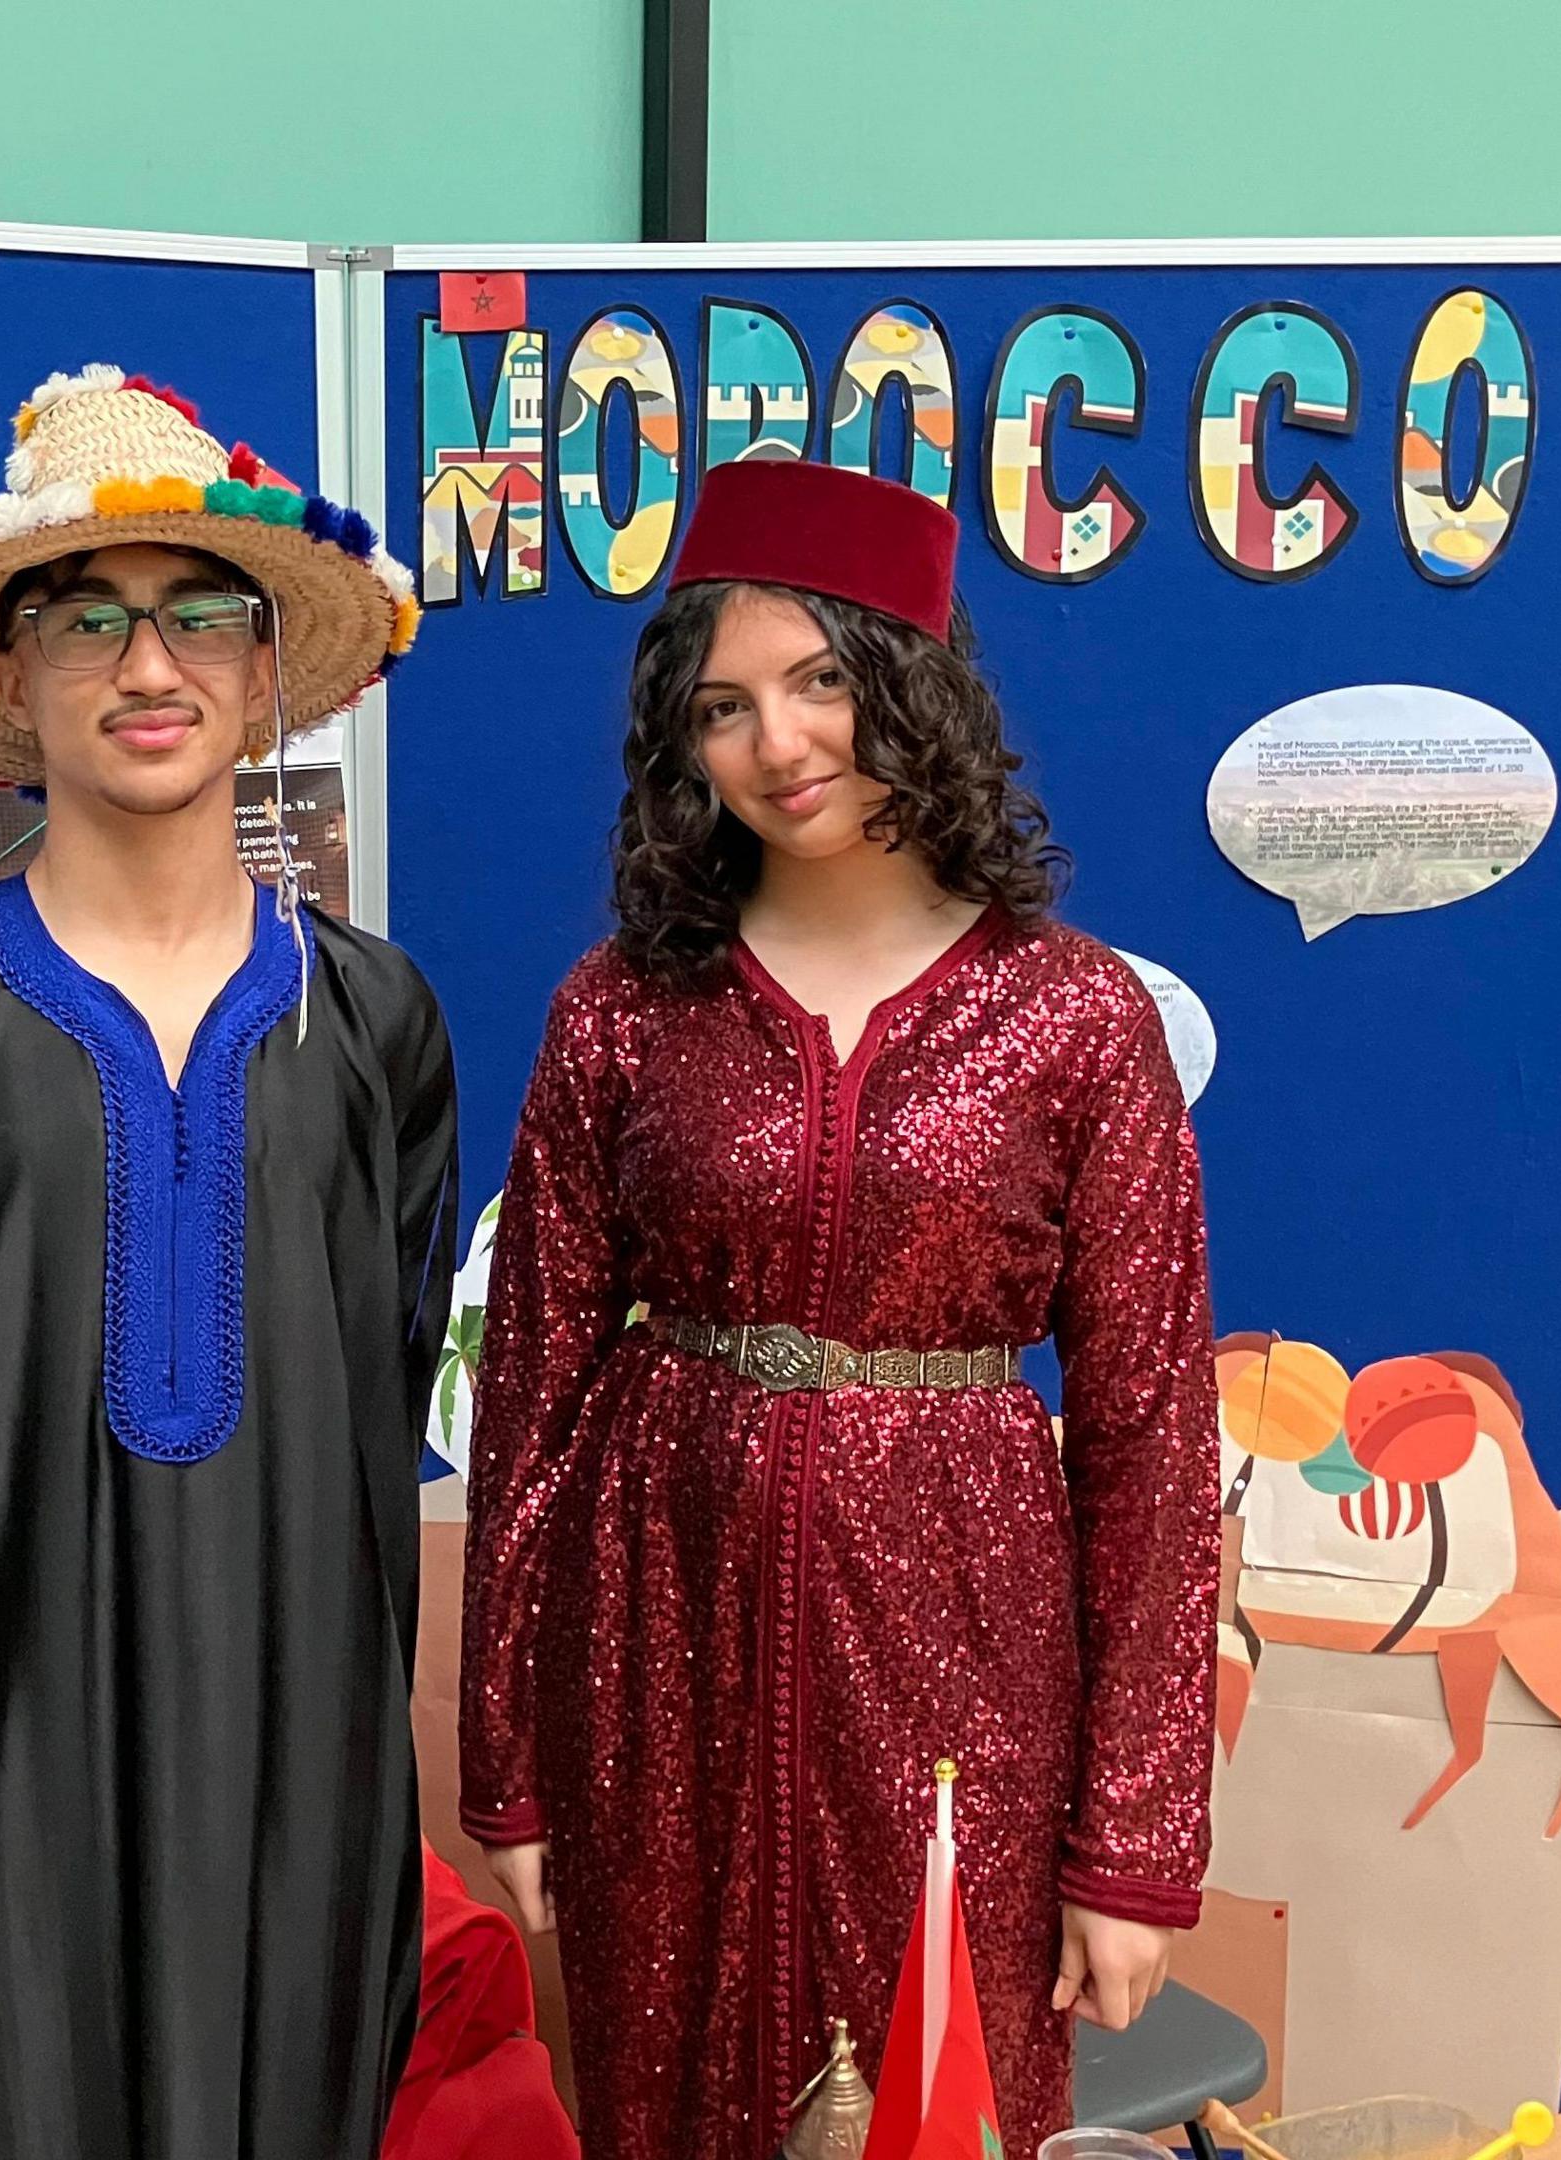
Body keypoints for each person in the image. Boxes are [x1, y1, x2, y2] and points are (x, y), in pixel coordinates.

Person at [459, 456, 1222, 2159]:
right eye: (723, 707)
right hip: (656, 1640)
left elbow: (1155, 1445)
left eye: (823, 682)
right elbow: (530, 1398)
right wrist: (504, 1747)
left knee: (936, 2098)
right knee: (666, 2096)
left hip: (964, 1651)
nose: (782, 745)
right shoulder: (622, 1013)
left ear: (919, 687)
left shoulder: (1075, 1021)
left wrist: (1139, 1844)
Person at [0, 363, 453, 2158]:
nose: (152, 667)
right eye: (92, 622)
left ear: (266, 664)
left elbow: (381, 1365)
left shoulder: (373, 1023)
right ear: (9, 673)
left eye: (201, 616)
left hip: (296, 1736)